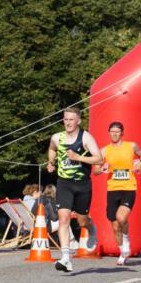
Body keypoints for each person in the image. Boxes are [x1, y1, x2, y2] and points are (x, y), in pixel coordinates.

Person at [46, 107, 102, 272]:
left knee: (82, 221)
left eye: (71, 119)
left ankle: (92, 230)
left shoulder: (85, 137)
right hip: (64, 183)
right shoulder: (57, 137)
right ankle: (65, 258)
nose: (68, 123)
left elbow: (99, 159)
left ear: (78, 121)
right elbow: (52, 149)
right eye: (65, 119)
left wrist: (78, 157)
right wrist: (51, 162)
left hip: (82, 184)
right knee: (63, 218)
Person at [95, 121, 141, 265]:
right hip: (112, 190)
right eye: (112, 131)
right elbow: (96, 171)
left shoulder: (131, 146)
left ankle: (126, 240)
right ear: (109, 133)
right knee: (115, 226)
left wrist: (140, 162)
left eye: (117, 131)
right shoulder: (104, 151)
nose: (114, 134)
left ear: (122, 133)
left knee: (121, 218)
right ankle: (122, 252)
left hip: (128, 188)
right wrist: (102, 169)